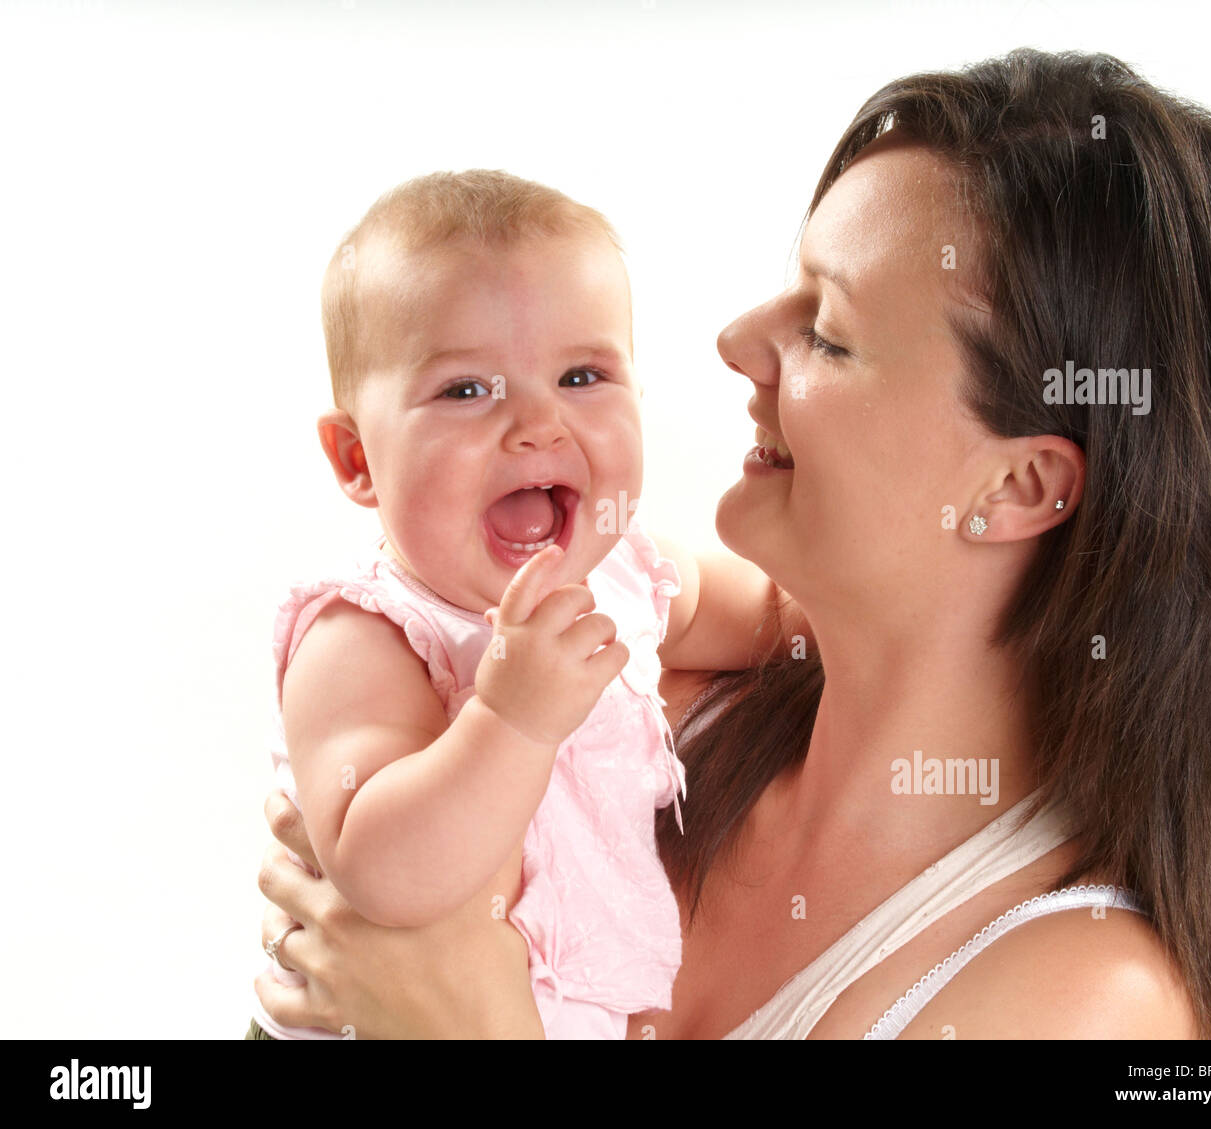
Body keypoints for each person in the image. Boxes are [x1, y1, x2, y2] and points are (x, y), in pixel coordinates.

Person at [254, 49, 1211, 1040]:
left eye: (828, 331)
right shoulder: (639, 712)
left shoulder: (1084, 997)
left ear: (1020, 484)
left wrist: (475, 1024)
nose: (736, 342)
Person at [247, 170, 803, 1040]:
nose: (537, 424)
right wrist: (510, 720)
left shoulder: (626, 577)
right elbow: (378, 873)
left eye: (583, 375)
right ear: (356, 456)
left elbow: (782, 618)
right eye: (467, 390)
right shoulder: (369, 634)